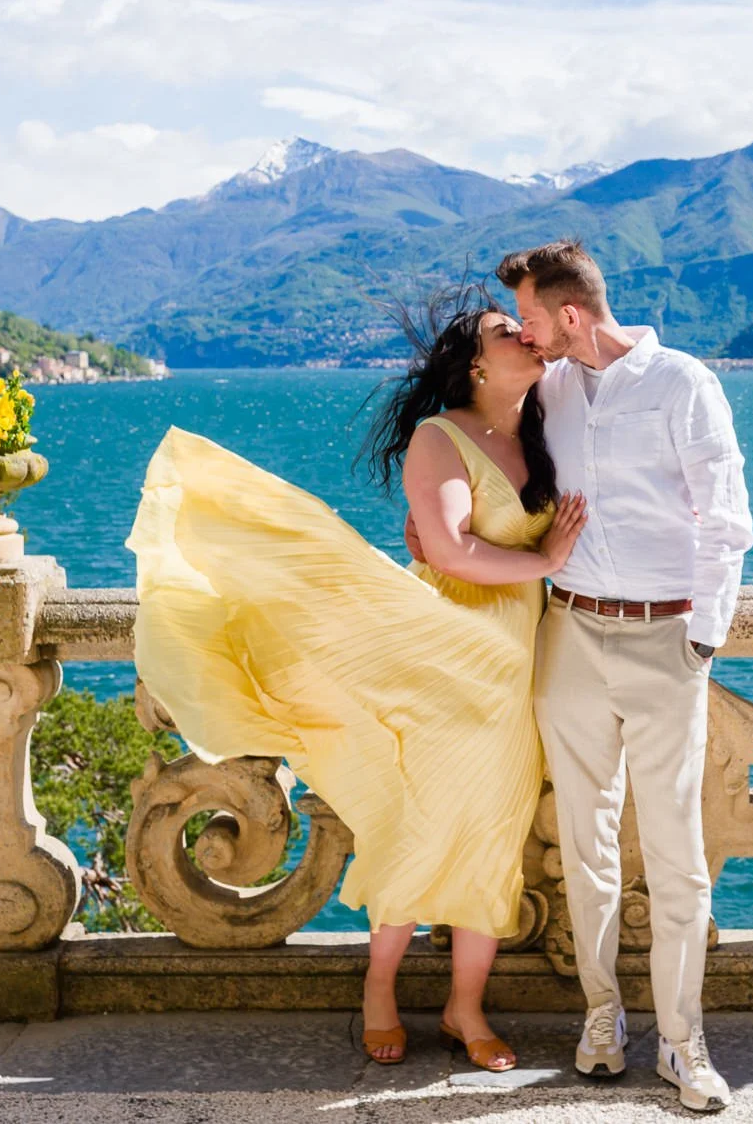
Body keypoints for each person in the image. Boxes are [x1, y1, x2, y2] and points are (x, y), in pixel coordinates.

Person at [125, 287, 587, 1072]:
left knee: (491, 838)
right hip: (444, 659)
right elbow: (446, 550)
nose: (527, 335)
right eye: (509, 329)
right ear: (475, 361)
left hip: (513, 678)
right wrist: (543, 560)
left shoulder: (547, 429)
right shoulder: (442, 438)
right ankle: (381, 987)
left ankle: (463, 1007)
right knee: (417, 827)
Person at [495, 239, 753, 1113]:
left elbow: (726, 521)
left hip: (664, 639)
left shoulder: (683, 383)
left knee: (677, 851)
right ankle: (603, 1017)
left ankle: (685, 1041)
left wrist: (701, 641)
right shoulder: (552, 387)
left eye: (532, 319)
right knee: (584, 840)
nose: (527, 337)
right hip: (568, 632)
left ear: (572, 313)